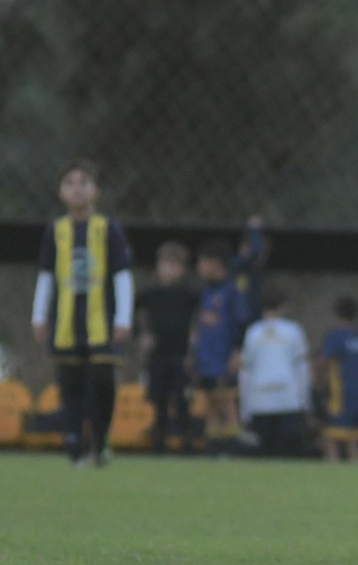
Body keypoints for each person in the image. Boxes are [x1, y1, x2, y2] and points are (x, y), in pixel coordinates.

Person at [30, 159, 133, 466]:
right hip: (65, 321)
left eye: (83, 182)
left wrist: (123, 318)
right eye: (70, 183)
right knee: (70, 382)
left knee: (102, 379)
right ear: (61, 192)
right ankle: (74, 442)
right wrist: (38, 316)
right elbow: (47, 274)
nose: (77, 189)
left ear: (95, 190)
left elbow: (122, 273)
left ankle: (100, 440)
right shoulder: (56, 230)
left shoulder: (107, 228)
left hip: (100, 320)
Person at [135, 241, 200, 453]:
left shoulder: (189, 295)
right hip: (157, 355)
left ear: (183, 270)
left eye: (175, 266)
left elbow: (202, 317)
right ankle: (159, 441)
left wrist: (196, 339)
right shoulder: (150, 294)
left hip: (181, 355)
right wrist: (140, 335)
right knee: (159, 398)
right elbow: (128, 312)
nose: (169, 270)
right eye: (165, 264)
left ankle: (186, 441)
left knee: (182, 399)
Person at [190, 238, 250, 455]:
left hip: (223, 356)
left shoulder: (232, 291)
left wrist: (236, 351)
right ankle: (214, 448)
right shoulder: (205, 291)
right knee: (210, 401)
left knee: (226, 399)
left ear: (215, 264)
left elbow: (242, 323)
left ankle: (233, 446)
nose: (199, 267)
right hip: (206, 357)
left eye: (202, 262)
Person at [239, 283, 311, 457]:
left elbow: (246, 369)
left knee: (265, 449)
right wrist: (306, 400)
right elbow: (302, 367)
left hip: (260, 398)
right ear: (284, 305)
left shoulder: (253, 332)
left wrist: (245, 404)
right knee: (287, 449)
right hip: (289, 398)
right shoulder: (294, 331)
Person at [315, 295, 358, 464]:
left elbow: (321, 363)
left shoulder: (336, 337)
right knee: (354, 443)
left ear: (335, 313)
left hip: (340, 396)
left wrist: (316, 385)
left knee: (330, 440)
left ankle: (332, 479)